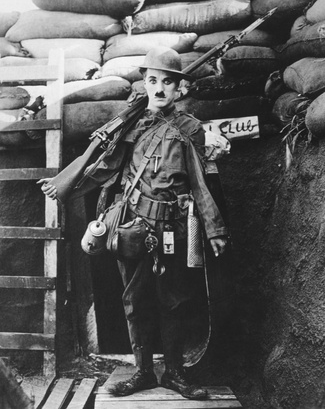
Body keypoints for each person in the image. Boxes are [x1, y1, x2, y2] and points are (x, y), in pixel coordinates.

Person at [39, 46, 230, 400]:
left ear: (179, 90)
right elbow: (103, 164)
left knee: (175, 300)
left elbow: (201, 183)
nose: (159, 89)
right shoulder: (132, 124)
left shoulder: (189, 129)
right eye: (153, 80)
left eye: (168, 83)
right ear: (145, 83)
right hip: (133, 226)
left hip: (173, 229)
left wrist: (215, 229)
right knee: (135, 300)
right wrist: (67, 185)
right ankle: (142, 372)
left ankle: (173, 373)